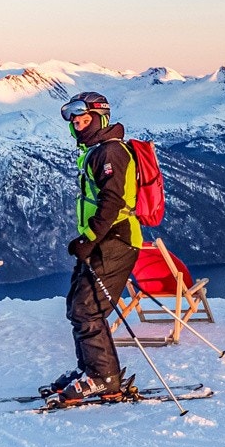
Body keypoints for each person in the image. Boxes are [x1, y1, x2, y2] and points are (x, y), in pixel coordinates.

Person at [46, 91, 144, 403]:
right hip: (102, 239)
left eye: (84, 118)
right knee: (78, 305)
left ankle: (104, 378)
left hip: (115, 239)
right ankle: (90, 369)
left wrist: (89, 239)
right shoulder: (97, 150)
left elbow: (112, 202)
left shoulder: (110, 153)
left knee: (88, 308)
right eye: (74, 120)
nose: (77, 124)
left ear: (100, 118)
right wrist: (88, 239)